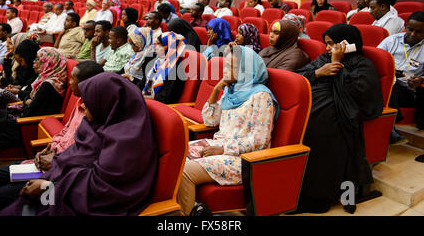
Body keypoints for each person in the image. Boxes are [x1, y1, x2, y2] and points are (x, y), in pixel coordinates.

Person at [0, 72, 158, 216]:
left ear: (108, 104)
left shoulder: (127, 143)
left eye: (89, 104)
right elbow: (74, 156)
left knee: (2, 198)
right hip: (59, 184)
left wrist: (49, 188)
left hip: (84, 202)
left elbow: (102, 190)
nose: (84, 108)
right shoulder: (98, 124)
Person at [0, 61, 104, 214]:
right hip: (45, 164)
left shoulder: (99, 119)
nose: (69, 81)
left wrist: (55, 161)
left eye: (74, 78)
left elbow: (84, 163)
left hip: (57, 176)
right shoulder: (80, 103)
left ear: (87, 84)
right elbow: (64, 131)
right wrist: (49, 148)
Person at [177, 44, 277, 216]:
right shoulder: (232, 91)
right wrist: (216, 90)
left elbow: (260, 142)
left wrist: (224, 149)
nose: (224, 70)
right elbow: (210, 120)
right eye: (225, 65)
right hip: (218, 146)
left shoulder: (261, 96)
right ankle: (194, 210)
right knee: (175, 154)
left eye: (231, 67)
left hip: (241, 159)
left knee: (184, 171)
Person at [295, 24, 383, 214]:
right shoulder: (325, 58)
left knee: (319, 130)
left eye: (332, 44)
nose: (327, 49)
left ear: (347, 43)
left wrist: (337, 65)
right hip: (318, 106)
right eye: (326, 44)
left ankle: (323, 195)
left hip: (343, 116)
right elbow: (298, 76)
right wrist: (319, 72)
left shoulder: (362, 64)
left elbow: (359, 96)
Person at [0, 47, 67, 169]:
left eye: (39, 59)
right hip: (22, 114)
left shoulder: (49, 85)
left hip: (26, 124)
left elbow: (29, 110)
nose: (34, 62)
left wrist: (27, 101)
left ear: (48, 62)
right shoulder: (44, 78)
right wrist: (27, 100)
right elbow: (27, 96)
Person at [378, 11, 424, 142]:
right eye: (410, 29)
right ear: (406, 26)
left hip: (410, 91)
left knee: (393, 87)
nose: (413, 34)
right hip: (389, 84)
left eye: (419, 31)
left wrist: (421, 80)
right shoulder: (391, 40)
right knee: (388, 83)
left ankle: (390, 128)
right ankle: (390, 128)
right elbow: (376, 60)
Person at [0, 39, 40, 109]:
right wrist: (7, 60)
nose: (7, 46)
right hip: (11, 91)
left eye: (11, 43)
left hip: (17, 99)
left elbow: (31, 96)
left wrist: (14, 87)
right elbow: (19, 82)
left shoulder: (35, 69)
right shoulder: (22, 62)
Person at [142, 32, 186, 104]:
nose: (156, 47)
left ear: (170, 47)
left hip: (161, 104)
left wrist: (144, 97)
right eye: (157, 44)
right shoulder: (158, 61)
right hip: (148, 98)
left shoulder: (176, 69)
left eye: (160, 45)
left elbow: (165, 97)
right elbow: (145, 79)